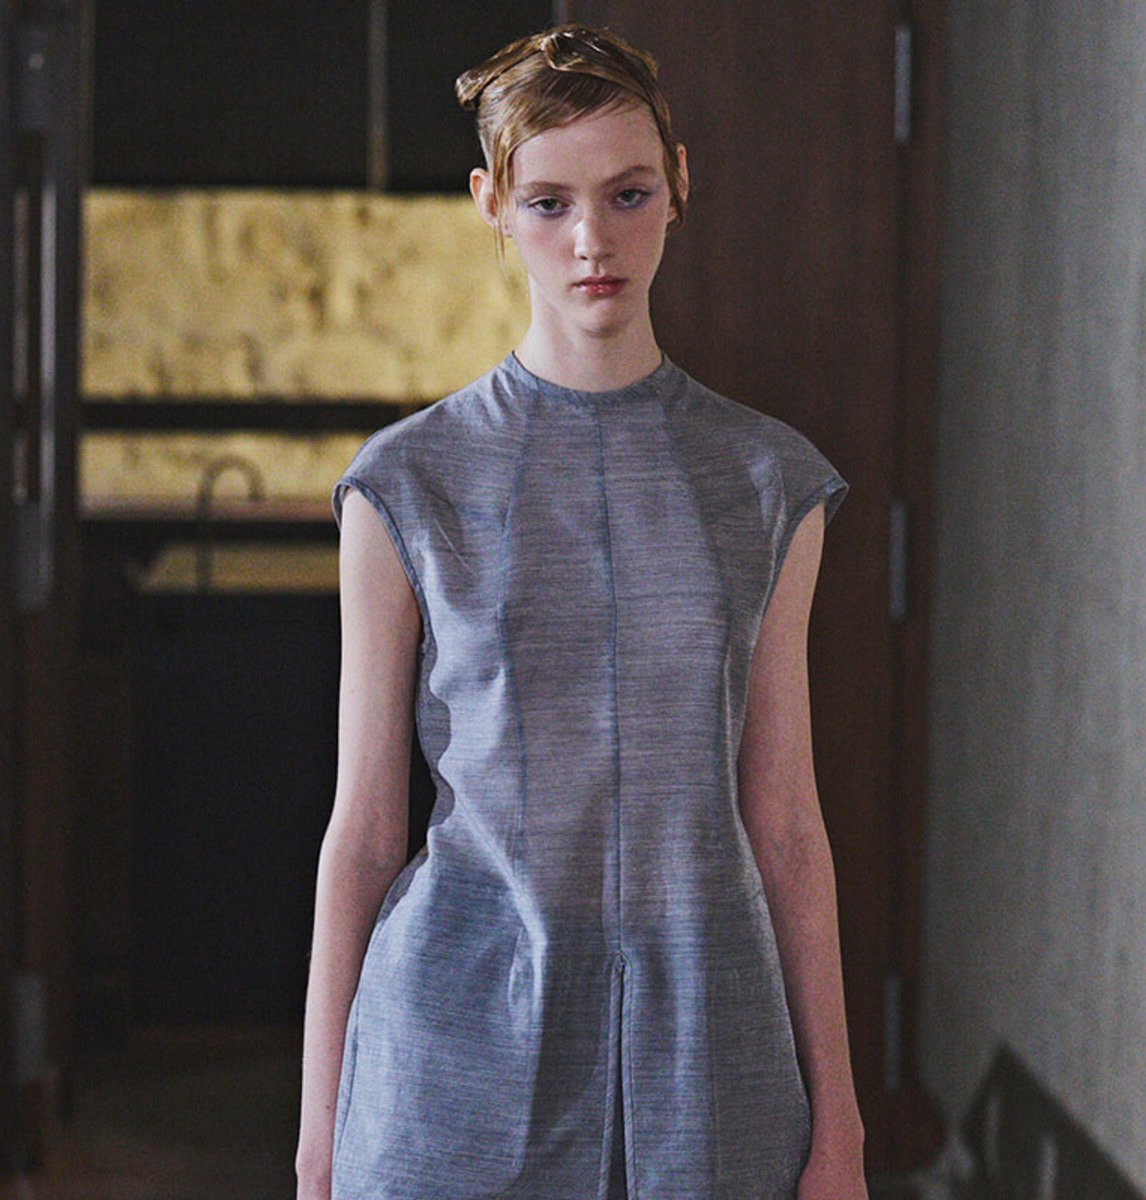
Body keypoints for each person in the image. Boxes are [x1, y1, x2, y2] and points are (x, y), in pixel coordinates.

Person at [295, 21, 865, 1200]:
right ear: (491, 205)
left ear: (679, 186)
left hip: (711, 1050)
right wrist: (318, 1145)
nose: (592, 239)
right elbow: (364, 833)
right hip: (453, 1049)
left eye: (627, 193)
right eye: (549, 202)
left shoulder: (769, 484)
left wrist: (842, 1127)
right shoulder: (406, 486)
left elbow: (786, 824)